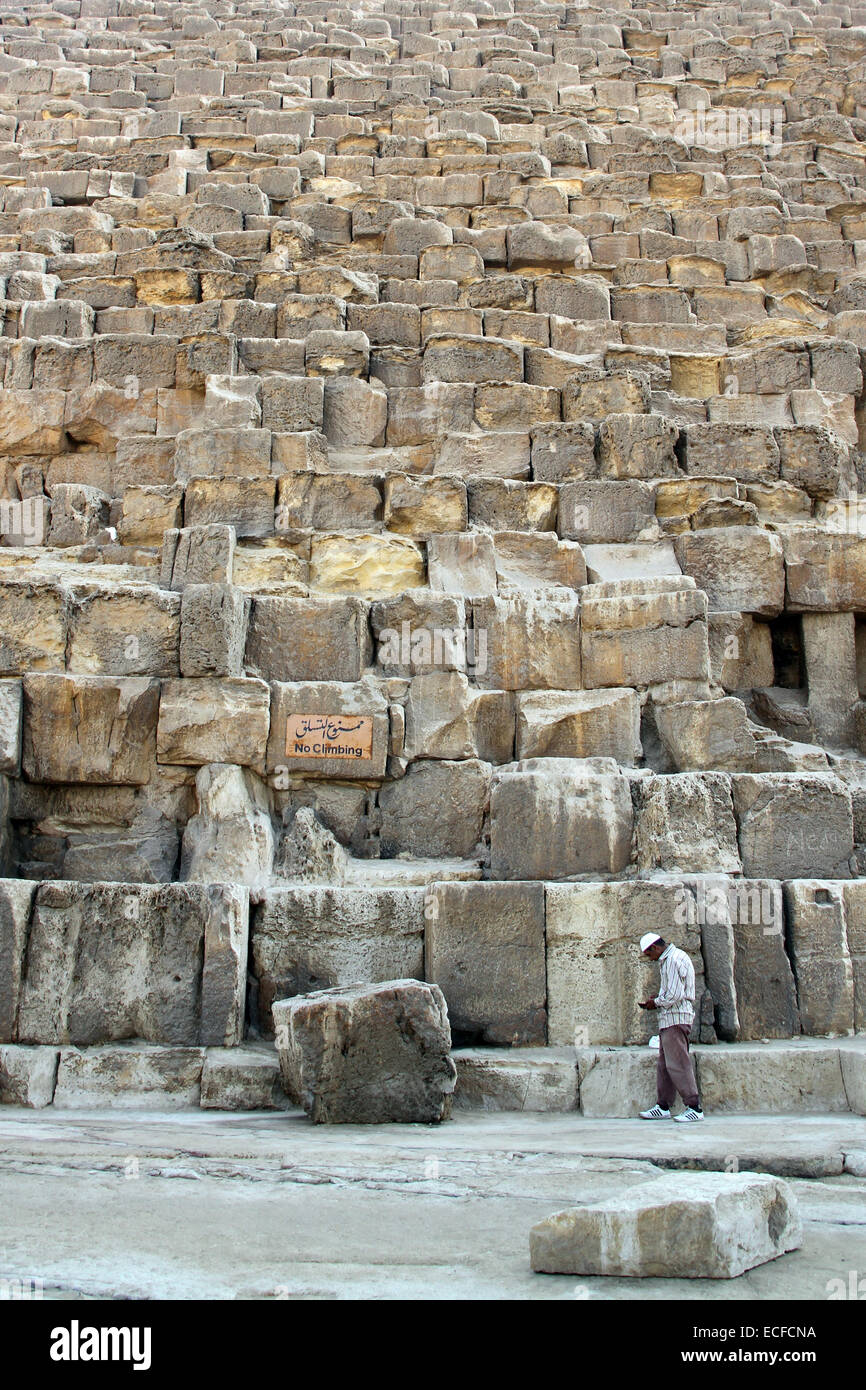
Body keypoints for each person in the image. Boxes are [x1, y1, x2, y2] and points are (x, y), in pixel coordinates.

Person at [637, 932, 704, 1123]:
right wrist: (657, 999)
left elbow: (674, 995)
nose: (650, 958)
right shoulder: (670, 959)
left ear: (655, 948)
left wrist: (655, 1002)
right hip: (669, 1019)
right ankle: (663, 1105)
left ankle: (694, 1107)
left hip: (676, 1019)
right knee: (665, 1065)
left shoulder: (673, 960)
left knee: (678, 1064)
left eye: (649, 954)